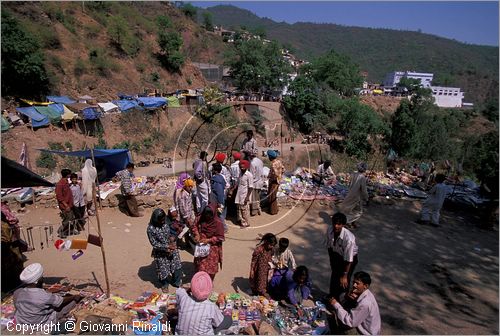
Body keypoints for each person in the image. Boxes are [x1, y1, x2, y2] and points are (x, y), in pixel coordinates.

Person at [14, 263, 82, 325]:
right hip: (39, 322)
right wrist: (74, 297)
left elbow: (37, 296)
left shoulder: (18, 292)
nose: (43, 278)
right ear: (37, 281)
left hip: (22, 320)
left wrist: (60, 289)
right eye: (41, 277)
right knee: (71, 302)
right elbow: (61, 301)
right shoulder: (43, 296)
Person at [147, 209, 182, 293]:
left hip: (171, 248)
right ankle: (164, 284)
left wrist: (172, 238)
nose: (163, 222)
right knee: (163, 269)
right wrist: (166, 246)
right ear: (156, 219)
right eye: (161, 220)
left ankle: (176, 282)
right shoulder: (150, 229)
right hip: (160, 251)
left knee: (176, 265)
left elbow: (169, 233)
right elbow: (154, 243)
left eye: (163, 220)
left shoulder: (165, 223)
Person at [326, 212, 359, 300]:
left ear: (343, 225)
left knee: (343, 282)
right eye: (334, 223)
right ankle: (332, 297)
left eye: (339, 224)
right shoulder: (330, 230)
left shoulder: (349, 239)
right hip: (336, 256)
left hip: (348, 260)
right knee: (334, 276)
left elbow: (349, 260)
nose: (336, 226)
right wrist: (332, 261)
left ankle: (341, 301)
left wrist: (344, 275)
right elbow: (329, 247)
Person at [192, 204, 225, 280]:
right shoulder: (201, 217)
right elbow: (194, 225)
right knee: (201, 263)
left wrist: (209, 240)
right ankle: (200, 280)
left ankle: (209, 282)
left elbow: (220, 237)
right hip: (201, 244)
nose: (207, 218)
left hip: (213, 247)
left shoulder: (218, 223)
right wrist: (196, 234)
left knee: (211, 266)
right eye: (206, 216)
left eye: (209, 216)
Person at [1, 203, 24, 293]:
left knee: (14, 266)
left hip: (10, 247)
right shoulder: (3, 225)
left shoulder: (4, 223)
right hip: (7, 249)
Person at [55, 169, 75, 238]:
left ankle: (68, 230)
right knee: (67, 219)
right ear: (67, 175)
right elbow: (59, 196)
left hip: (69, 204)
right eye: (70, 174)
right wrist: (66, 205)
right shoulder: (60, 184)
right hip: (65, 205)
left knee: (71, 217)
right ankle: (61, 231)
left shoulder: (66, 182)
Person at [235, 160, 253, 228]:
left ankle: (246, 223)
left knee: (244, 210)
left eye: (243, 168)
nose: (241, 169)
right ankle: (241, 220)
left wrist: (247, 197)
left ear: (246, 167)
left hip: (245, 195)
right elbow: (238, 183)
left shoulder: (249, 175)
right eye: (240, 167)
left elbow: (251, 187)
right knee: (240, 209)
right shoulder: (240, 174)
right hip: (239, 194)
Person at [210, 163, 227, 232]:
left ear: (216, 171)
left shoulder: (217, 180)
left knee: (219, 214)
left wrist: (220, 203)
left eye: (213, 169)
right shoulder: (220, 178)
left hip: (218, 201)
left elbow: (219, 192)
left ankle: (224, 228)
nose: (212, 170)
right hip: (218, 200)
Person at [267, 150, 285, 215]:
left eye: (268, 156)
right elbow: (283, 169)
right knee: (274, 195)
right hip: (278, 181)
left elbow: (275, 173)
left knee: (272, 196)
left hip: (274, 181)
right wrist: (280, 175)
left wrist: (270, 177)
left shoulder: (273, 164)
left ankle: (273, 211)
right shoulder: (279, 161)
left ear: (270, 157)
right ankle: (275, 209)